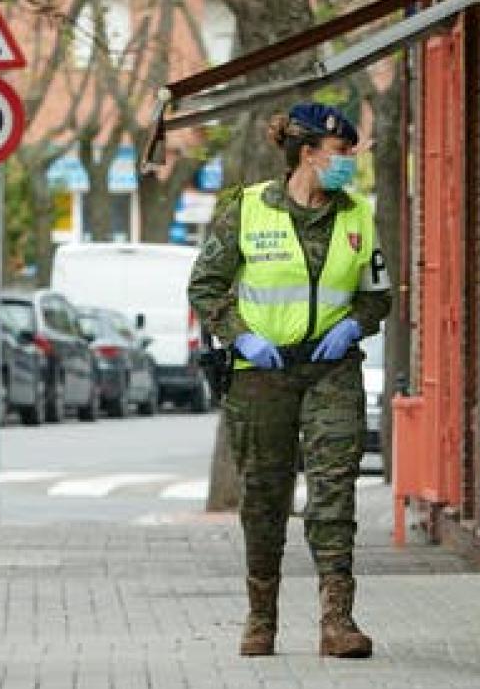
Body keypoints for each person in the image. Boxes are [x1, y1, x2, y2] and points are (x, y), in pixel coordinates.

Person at [188, 102, 391, 658]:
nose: (349, 162)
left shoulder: (357, 214)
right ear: (308, 154)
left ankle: (338, 621)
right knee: (264, 495)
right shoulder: (249, 208)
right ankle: (261, 618)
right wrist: (240, 336)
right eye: (341, 152)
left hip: (331, 371)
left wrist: (353, 326)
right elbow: (205, 285)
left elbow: (377, 295)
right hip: (263, 373)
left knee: (334, 492)